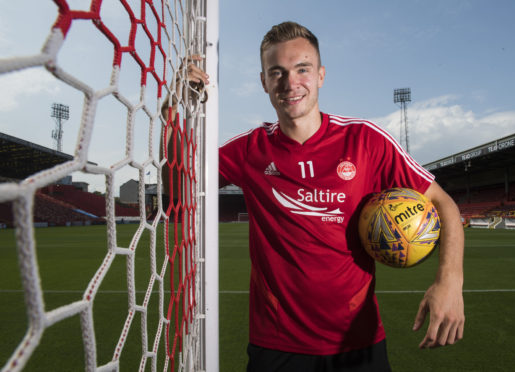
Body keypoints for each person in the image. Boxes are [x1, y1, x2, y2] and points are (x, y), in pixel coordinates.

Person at [165, 21, 464, 372]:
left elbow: (443, 202)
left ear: (320, 75)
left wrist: (449, 282)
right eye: (277, 72)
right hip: (276, 346)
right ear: (263, 82)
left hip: (359, 343)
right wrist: (174, 108)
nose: (290, 83)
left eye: (302, 69)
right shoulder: (250, 149)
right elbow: (176, 188)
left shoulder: (366, 140)